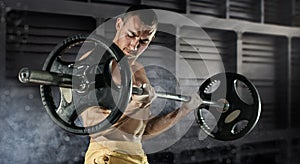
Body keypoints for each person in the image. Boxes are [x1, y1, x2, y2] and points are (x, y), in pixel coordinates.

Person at [82, 5, 202, 164]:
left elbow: (142, 131)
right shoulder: (93, 62)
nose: (134, 46)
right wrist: (136, 105)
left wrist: (184, 110)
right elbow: (95, 126)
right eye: (130, 35)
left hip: (137, 157)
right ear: (119, 24)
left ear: (152, 38)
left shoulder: (138, 70)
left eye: (144, 41)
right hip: (108, 156)